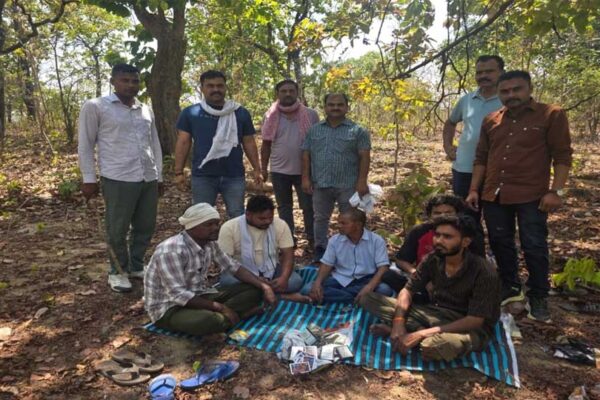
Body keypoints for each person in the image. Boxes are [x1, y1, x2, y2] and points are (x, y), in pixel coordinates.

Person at [466, 70, 572, 323]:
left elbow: (562, 155)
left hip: (531, 194)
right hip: (494, 193)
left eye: (517, 89)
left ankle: (539, 294)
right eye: (505, 91)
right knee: (500, 241)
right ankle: (511, 286)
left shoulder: (551, 114)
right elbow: (481, 158)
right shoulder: (491, 120)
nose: (511, 95)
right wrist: (473, 189)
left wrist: (555, 191)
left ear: (529, 89)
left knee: (533, 244)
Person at [360, 215, 501, 362]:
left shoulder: (484, 272)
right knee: (368, 299)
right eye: (437, 235)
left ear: (465, 242)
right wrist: (398, 322)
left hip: (468, 326)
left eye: (447, 237)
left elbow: (475, 321)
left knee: (432, 346)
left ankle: (414, 334)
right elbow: (407, 290)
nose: (439, 241)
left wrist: (422, 334)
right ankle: (407, 331)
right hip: (434, 314)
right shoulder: (433, 259)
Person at [78, 63, 163, 293]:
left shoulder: (145, 109)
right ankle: (117, 271)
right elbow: (85, 144)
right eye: (125, 80)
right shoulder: (96, 106)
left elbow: (154, 143)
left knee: (145, 225)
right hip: (117, 176)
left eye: (135, 81)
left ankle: (136, 265)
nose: (130, 85)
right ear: (113, 82)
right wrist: (88, 178)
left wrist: (159, 176)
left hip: (147, 176)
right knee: (117, 228)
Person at [144, 203, 277, 336]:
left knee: (254, 289)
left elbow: (233, 267)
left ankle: (228, 318)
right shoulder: (171, 251)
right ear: (192, 226)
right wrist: (221, 307)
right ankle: (234, 316)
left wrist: (264, 286)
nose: (215, 228)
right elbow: (178, 294)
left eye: (216, 224)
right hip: (170, 308)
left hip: (198, 295)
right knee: (209, 320)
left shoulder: (210, 243)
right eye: (209, 225)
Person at [174, 70, 262, 218]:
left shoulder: (239, 112)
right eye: (210, 86)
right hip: (203, 175)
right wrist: (178, 172)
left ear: (225, 87)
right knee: (202, 217)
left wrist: (257, 169)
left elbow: (249, 142)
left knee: (237, 215)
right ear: (202, 88)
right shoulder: (191, 113)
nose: (216, 89)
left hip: (234, 174)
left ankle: (234, 235)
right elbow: (183, 142)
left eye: (220, 86)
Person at [302, 93, 371, 261]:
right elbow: (306, 154)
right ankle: (320, 250)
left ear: (347, 107)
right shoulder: (314, 130)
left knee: (350, 218)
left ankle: (350, 251)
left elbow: (364, 156)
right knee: (320, 218)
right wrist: (305, 178)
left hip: (348, 184)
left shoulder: (358, 131)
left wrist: (362, 181)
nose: (335, 108)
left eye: (340, 104)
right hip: (321, 183)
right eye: (331, 104)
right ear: (325, 107)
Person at [442, 55, 504, 233]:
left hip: (496, 173)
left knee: (498, 223)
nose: (483, 76)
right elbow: (450, 122)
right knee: (465, 221)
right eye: (479, 72)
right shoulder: (467, 100)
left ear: (501, 72)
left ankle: (494, 251)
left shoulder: (507, 99)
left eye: (489, 71)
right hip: (464, 169)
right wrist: (448, 146)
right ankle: (471, 251)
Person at [381, 194, 485, 294]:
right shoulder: (419, 231)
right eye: (437, 213)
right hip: (422, 278)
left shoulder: (468, 233)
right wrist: (417, 275)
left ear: (458, 214)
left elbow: (478, 265)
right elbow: (401, 260)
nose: (443, 216)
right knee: (388, 275)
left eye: (448, 212)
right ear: (429, 215)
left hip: (457, 281)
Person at [260, 79, 319, 248]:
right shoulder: (270, 115)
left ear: (297, 92)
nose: (287, 94)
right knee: (284, 207)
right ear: (277, 94)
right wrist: (263, 169)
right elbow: (266, 144)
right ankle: (288, 240)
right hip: (279, 170)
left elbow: (317, 142)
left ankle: (313, 239)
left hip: (305, 170)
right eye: (283, 91)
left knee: (308, 206)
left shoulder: (311, 114)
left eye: (291, 91)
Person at [218, 195, 310, 302]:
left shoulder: (280, 225)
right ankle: (281, 297)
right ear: (248, 214)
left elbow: (288, 255)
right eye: (262, 218)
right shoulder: (230, 228)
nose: (267, 222)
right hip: (242, 273)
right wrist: (256, 280)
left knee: (295, 282)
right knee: (227, 282)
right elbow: (226, 262)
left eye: (270, 218)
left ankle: (256, 294)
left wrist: (284, 278)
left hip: (271, 269)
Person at [301, 208, 392, 304]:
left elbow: (383, 268)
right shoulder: (335, 240)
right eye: (339, 223)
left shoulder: (376, 241)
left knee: (384, 290)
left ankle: (344, 297)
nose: (339, 226)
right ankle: (354, 298)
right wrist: (318, 283)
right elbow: (327, 264)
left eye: (343, 223)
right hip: (340, 279)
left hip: (366, 279)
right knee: (307, 289)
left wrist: (369, 287)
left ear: (358, 225)